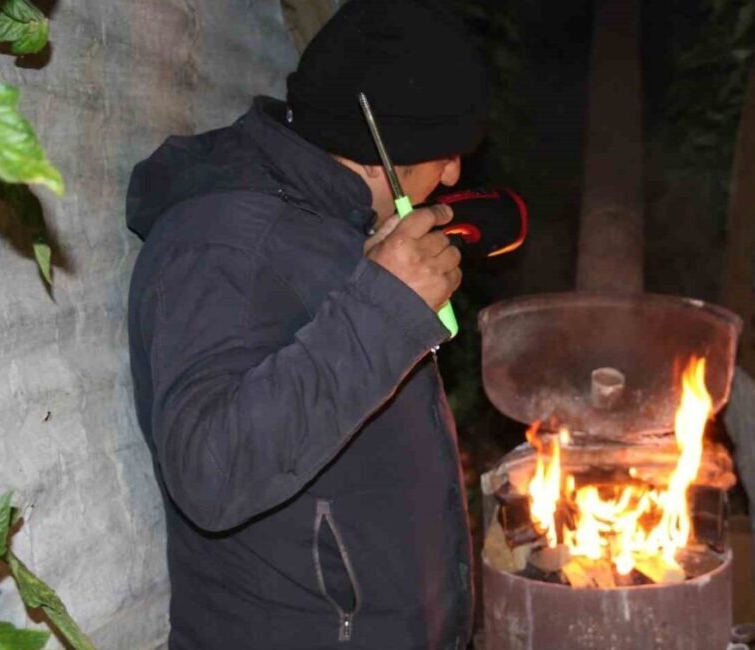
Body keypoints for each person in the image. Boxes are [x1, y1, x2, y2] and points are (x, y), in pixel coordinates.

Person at [125, 1, 487, 648]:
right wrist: (385, 309)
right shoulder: (223, 243)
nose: (455, 173)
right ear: (381, 151)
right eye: (447, 150)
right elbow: (211, 469)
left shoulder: (341, 230)